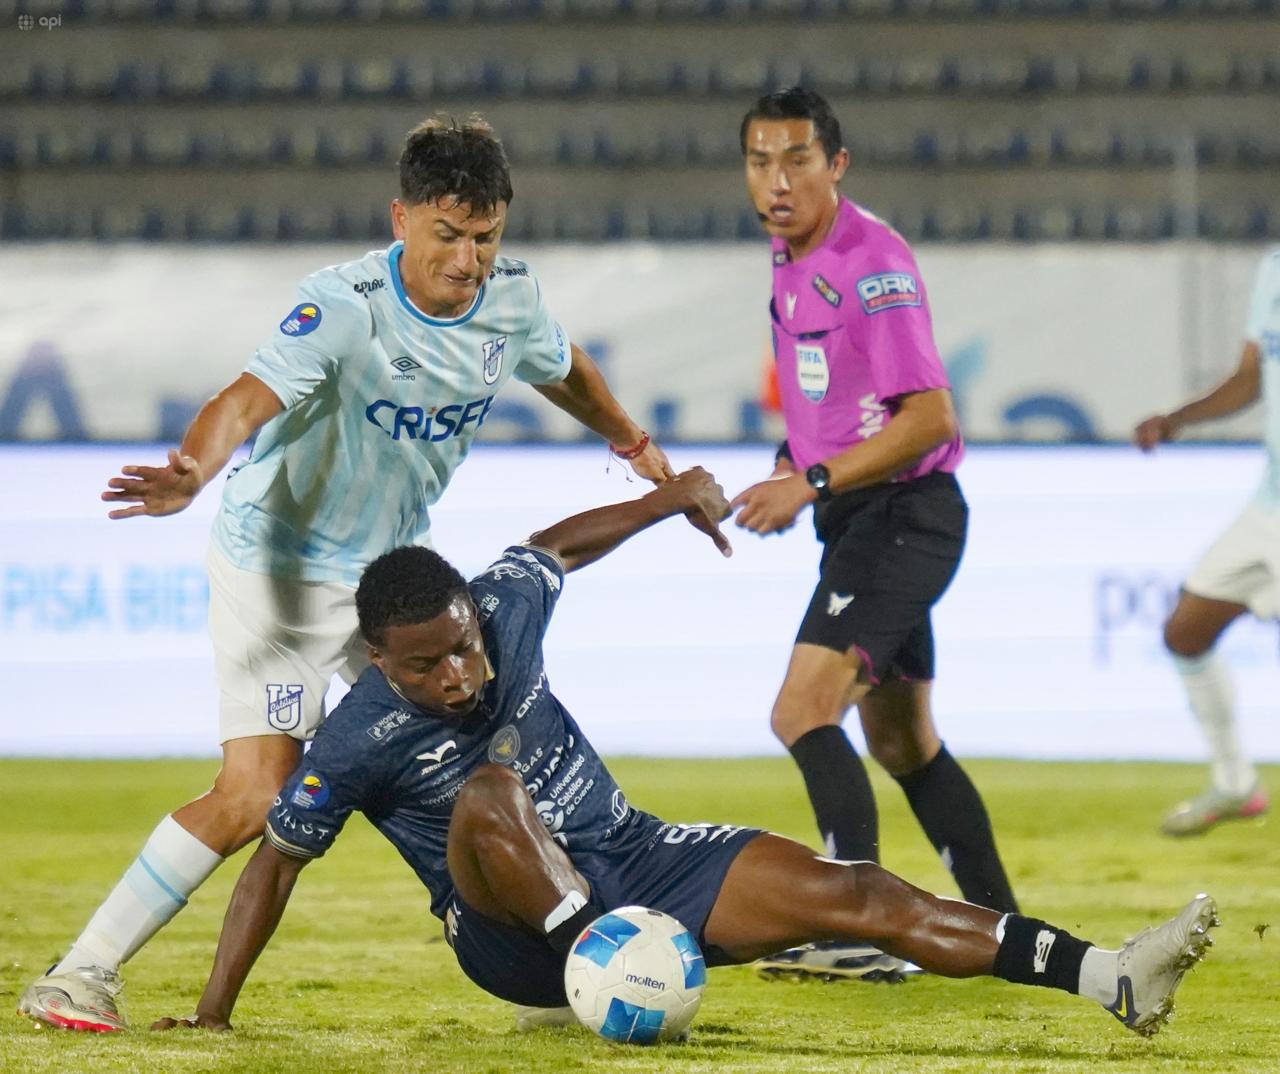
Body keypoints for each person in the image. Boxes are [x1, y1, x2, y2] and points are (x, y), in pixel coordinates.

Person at [144, 469, 1214, 1040]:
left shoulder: (501, 607)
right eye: (426, 668)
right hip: (510, 933)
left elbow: (555, 547)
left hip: (632, 855)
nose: (458, 676)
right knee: (487, 789)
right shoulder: (356, 737)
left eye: (464, 649)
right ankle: (599, 955)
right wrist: (210, 1015)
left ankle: (1107, 976)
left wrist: (663, 500)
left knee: (855, 891)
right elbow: (275, 862)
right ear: (376, 660)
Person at [17, 115, 673, 1034]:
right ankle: (80, 974)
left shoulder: (510, 301)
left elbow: (565, 371)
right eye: (448, 235)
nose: (468, 260)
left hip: (389, 587)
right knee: (257, 793)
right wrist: (193, 472)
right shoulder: (343, 305)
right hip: (277, 573)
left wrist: (632, 442)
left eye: (486, 237)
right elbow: (244, 399)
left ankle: (546, 978)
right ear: (400, 218)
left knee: (482, 757)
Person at [729, 88, 1018, 979]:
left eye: (799, 160)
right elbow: (830, 403)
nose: (778, 181)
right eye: (760, 162)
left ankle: (854, 932)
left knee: (801, 709)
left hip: (904, 515)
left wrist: (810, 483)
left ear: (837, 164)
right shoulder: (789, 256)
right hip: (866, 517)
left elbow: (929, 416)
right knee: (901, 740)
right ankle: (1001, 929)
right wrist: (794, 463)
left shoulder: (871, 262)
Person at [1133, 248, 1279, 836]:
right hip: (1269, 506)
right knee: (1185, 632)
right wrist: (1177, 419)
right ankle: (1236, 782)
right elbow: (1251, 376)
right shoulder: (1272, 266)